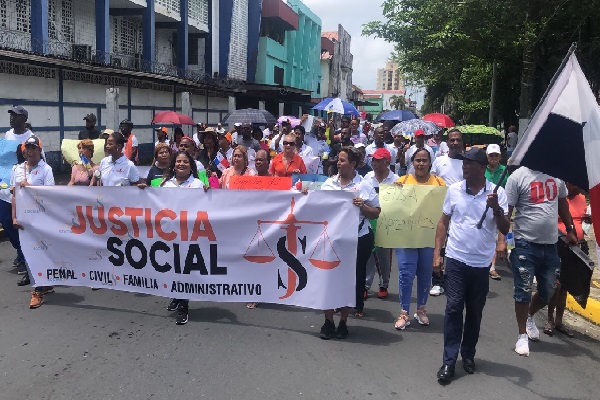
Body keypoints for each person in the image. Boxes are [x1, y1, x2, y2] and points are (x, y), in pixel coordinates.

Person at [434, 147, 510, 383]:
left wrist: (496, 207)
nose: (464, 167)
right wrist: (438, 254)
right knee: (454, 308)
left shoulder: (498, 193)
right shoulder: (454, 191)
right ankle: (448, 361)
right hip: (456, 259)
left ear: (481, 168)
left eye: (469, 163)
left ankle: (468, 355)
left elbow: (505, 229)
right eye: (463, 163)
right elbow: (443, 223)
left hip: (480, 264)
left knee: (474, 313)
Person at [503, 166, 577, 357]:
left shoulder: (556, 176)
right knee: (523, 290)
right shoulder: (517, 177)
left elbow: (562, 203)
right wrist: (504, 241)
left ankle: (529, 315)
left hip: (550, 245)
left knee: (550, 289)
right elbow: (507, 213)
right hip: (524, 244)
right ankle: (521, 335)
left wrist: (570, 229)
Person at [319, 146, 380, 339]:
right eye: (338, 159)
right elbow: (316, 207)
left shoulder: (364, 185)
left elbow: (377, 212)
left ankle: (343, 322)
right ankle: (328, 321)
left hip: (358, 238)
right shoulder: (329, 184)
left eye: (343, 160)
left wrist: (363, 206)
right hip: (332, 239)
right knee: (329, 279)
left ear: (353, 164)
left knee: (349, 280)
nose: (338, 162)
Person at [394, 148, 446, 330]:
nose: (421, 163)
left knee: (425, 275)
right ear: (412, 162)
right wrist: (396, 192)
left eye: (424, 160)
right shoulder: (402, 181)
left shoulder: (439, 184)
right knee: (405, 275)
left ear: (430, 163)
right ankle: (404, 312)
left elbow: (444, 215)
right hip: (406, 238)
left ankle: (421, 310)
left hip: (428, 238)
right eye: (418, 160)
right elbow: (393, 209)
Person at [157, 150, 204, 325]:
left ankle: (184, 305)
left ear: (190, 165)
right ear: (173, 165)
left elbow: (209, 205)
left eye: (185, 161)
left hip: (190, 235)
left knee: (185, 268)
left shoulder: (198, 185)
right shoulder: (166, 185)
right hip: (170, 235)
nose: (181, 164)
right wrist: (143, 191)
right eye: (178, 161)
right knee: (173, 267)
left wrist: (210, 193)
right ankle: (177, 295)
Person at [11, 136, 56, 307]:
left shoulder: (46, 169)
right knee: (30, 253)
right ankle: (40, 286)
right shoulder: (17, 169)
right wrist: (14, 216)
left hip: (40, 219)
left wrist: (30, 187)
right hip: (24, 220)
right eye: (27, 148)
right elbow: (15, 195)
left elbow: (50, 195)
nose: (30, 152)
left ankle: (39, 289)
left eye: (33, 148)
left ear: (39, 150)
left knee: (41, 251)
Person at [546, 182, 590, 338]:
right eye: (576, 185)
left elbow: (581, 219)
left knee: (565, 286)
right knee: (556, 284)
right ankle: (549, 319)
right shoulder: (558, 197)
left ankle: (559, 321)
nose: (579, 188)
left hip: (577, 247)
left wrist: (588, 219)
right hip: (559, 243)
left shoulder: (581, 198)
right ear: (568, 184)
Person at [429, 129, 465, 295]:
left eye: (458, 140)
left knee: (456, 245)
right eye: (452, 140)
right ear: (447, 142)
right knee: (439, 244)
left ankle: (454, 280)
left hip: (461, 211)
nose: (455, 143)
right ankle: (437, 281)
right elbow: (431, 183)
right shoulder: (438, 161)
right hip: (441, 209)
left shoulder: (467, 162)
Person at [2, 106, 34, 276]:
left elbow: (37, 160)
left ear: (24, 118)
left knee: (20, 223)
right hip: (5, 187)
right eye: (11, 115)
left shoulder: (31, 137)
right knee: (7, 221)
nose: (12, 118)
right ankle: (19, 250)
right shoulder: (7, 136)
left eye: (16, 115)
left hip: (22, 188)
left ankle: (24, 256)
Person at [363, 148, 399, 300]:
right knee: (368, 254)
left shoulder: (396, 179)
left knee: (384, 255)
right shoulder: (367, 178)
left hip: (387, 221)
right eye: (373, 160)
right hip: (370, 219)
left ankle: (384, 284)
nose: (374, 163)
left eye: (378, 160)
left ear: (386, 162)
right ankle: (365, 285)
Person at [485, 143, 508, 280]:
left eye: (496, 155)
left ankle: (492, 266)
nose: (493, 158)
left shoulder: (504, 170)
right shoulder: (483, 170)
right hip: (485, 206)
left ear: (500, 157)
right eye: (491, 155)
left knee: (497, 235)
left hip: (500, 205)